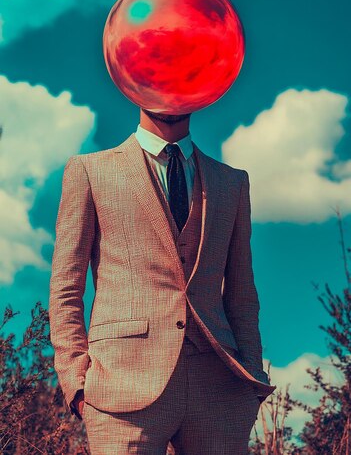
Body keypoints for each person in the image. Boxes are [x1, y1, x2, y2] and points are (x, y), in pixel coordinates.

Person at [49, 105, 276, 455]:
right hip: (121, 384)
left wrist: (252, 379)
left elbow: (242, 292)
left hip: (219, 387)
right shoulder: (90, 170)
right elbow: (66, 287)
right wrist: (77, 381)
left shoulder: (231, 182)